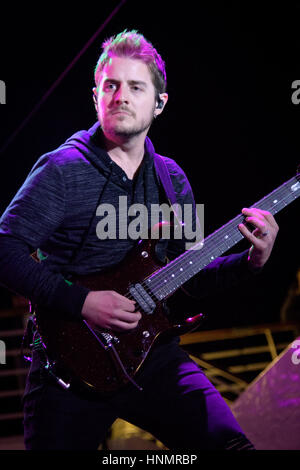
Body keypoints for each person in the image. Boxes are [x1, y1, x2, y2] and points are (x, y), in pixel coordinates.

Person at [0, 30, 279, 450]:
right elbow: (4, 250)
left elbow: (191, 275)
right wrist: (84, 302)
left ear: (159, 103)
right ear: (96, 95)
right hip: (68, 364)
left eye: (135, 86)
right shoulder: (61, 170)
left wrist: (250, 263)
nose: (121, 96)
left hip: (151, 356)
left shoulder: (172, 178)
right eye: (110, 85)